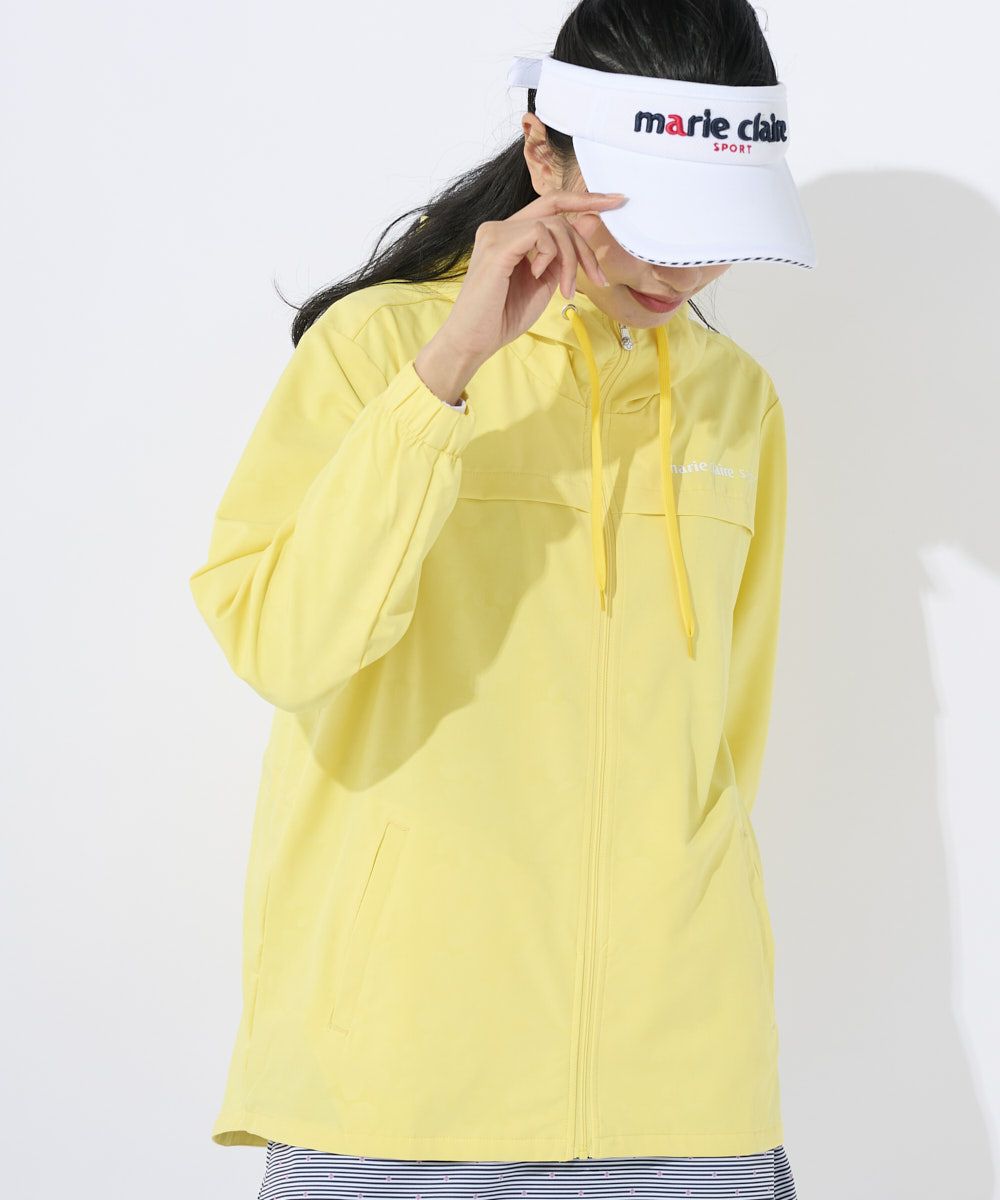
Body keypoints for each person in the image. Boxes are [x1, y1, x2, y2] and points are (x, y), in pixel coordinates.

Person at [188, 2, 816, 1197]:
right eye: (657, 216)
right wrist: (446, 376)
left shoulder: (736, 401)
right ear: (544, 155)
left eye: (718, 224)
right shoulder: (375, 352)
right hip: (393, 1073)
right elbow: (284, 645)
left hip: (684, 1080)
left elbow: (729, 735)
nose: (684, 266)